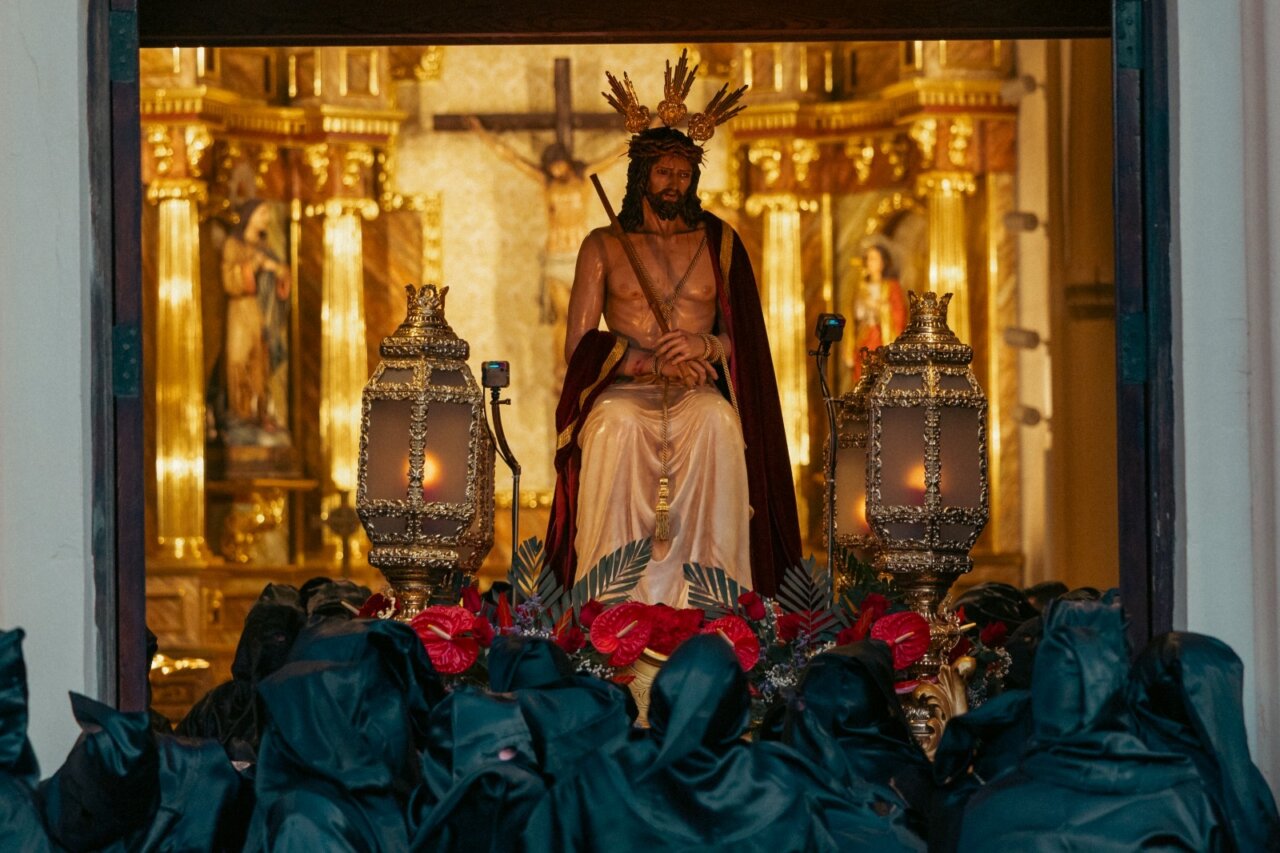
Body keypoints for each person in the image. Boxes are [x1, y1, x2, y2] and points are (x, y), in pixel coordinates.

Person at [545, 113, 800, 602]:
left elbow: (744, 339)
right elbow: (579, 346)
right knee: (613, 424)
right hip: (626, 390)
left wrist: (706, 346)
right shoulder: (603, 245)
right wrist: (648, 361)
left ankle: (715, 598)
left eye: (683, 174)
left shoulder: (719, 243)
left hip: (695, 388)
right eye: (664, 172)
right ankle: (609, 601)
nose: (674, 184)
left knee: (718, 422)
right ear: (642, 174)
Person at [220, 200, 291, 440]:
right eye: (262, 213)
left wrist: (278, 271)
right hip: (240, 309)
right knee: (238, 358)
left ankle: (259, 413)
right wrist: (253, 266)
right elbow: (229, 279)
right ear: (249, 216)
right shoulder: (233, 244)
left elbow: (283, 276)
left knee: (260, 361)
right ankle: (239, 413)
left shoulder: (265, 246)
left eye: (268, 214)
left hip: (262, 312)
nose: (266, 219)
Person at [851, 243, 907, 380]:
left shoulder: (891, 287)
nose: (870, 262)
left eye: (874, 258)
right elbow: (855, 315)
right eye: (868, 259)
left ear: (883, 263)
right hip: (865, 336)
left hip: (883, 337)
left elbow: (899, 312)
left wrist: (881, 308)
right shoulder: (861, 287)